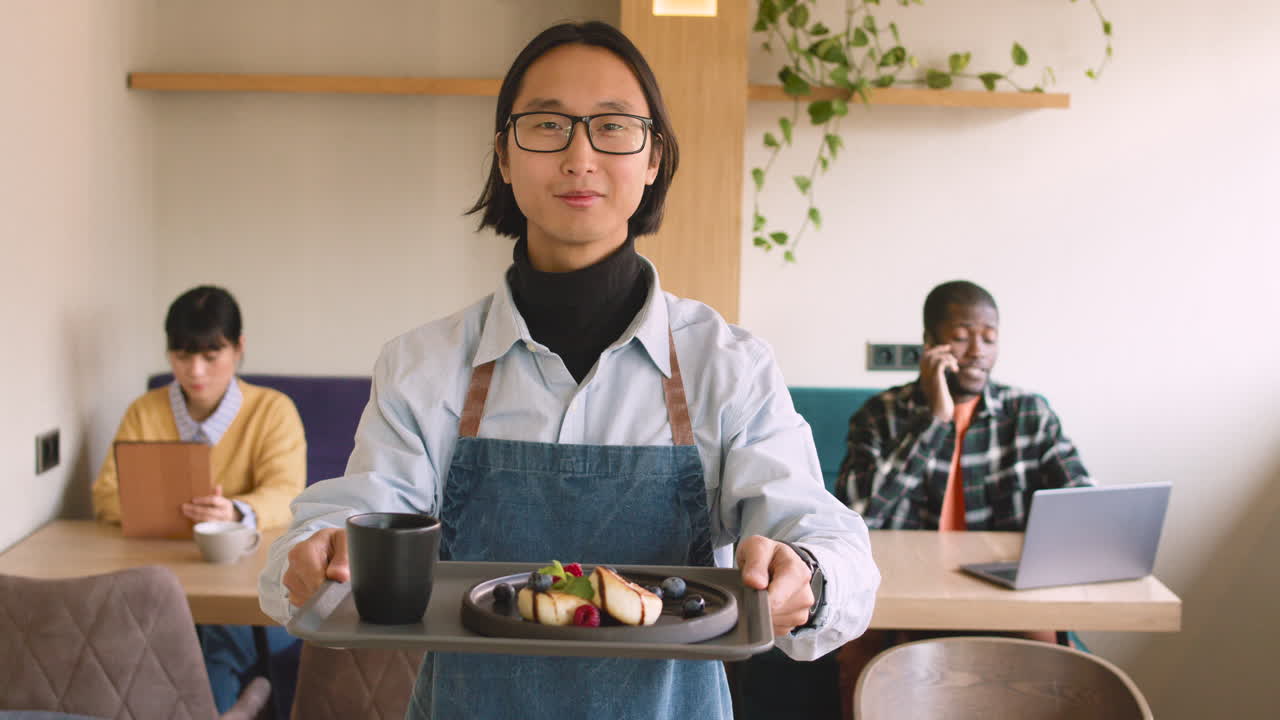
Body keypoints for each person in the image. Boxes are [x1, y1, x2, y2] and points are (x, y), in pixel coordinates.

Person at [258, 21, 879, 720]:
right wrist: (318, 558)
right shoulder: (425, 364)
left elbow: (828, 543)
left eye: (613, 127)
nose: (580, 155)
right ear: (504, 154)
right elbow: (346, 525)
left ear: (653, 157)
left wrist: (810, 577)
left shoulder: (726, 364)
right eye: (548, 125)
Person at [832, 279, 1091, 719]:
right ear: (929, 343)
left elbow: (1081, 503)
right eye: (961, 336)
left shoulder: (1029, 413)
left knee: (1049, 651)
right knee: (858, 644)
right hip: (900, 583)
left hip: (1004, 586)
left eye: (989, 338)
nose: (978, 351)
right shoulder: (880, 415)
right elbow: (857, 512)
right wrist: (935, 419)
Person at [93, 285, 306, 714]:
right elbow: (105, 494)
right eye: (181, 356)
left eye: (211, 355)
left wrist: (235, 512)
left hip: (255, 585)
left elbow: (288, 494)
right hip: (162, 577)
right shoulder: (144, 412)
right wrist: (167, 509)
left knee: (213, 639)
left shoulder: (273, 410)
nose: (195, 371)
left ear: (239, 348)